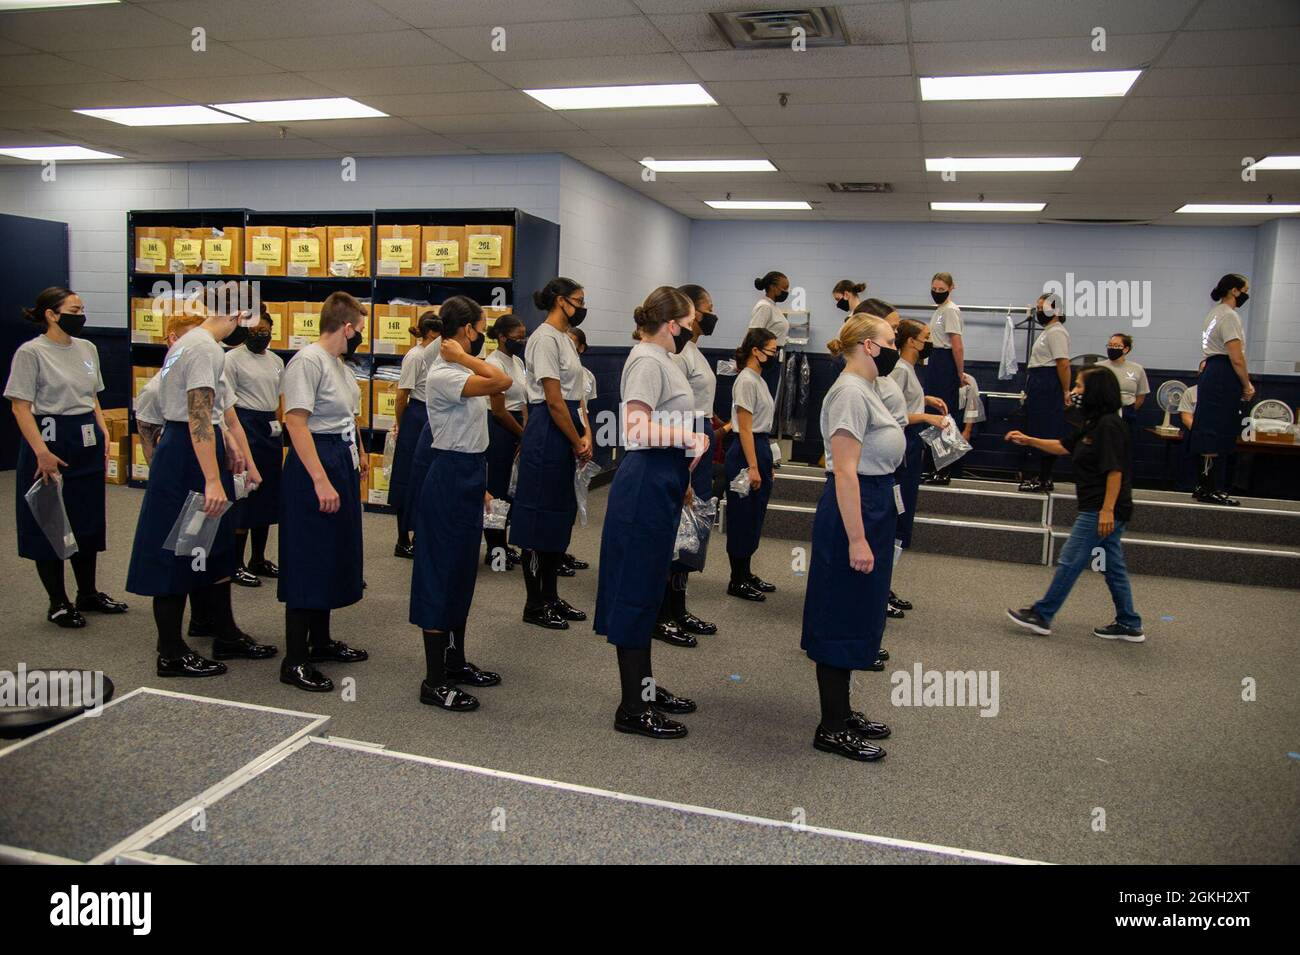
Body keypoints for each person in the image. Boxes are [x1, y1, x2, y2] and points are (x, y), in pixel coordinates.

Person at [125, 304, 276, 676]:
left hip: (198, 448)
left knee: (213, 545)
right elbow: (197, 415)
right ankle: (171, 652)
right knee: (181, 547)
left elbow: (214, 413)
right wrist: (211, 479)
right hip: (188, 455)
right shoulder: (203, 347)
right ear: (236, 315)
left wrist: (232, 446)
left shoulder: (199, 344)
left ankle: (223, 631)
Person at [595, 286, 709, 739]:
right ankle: (632, 707)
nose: (694, 327)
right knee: (636, 589)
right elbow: (635, 425)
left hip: (663, 477)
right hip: (643, 480)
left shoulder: (663, 360)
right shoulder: (646, 359)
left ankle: (644, 687)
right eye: (691, 320)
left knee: (651, 588)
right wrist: (689, 439)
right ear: (673, 324)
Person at [801, 313, 905, 762]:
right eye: (890, 338)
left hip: (875, 501)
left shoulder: (869, 389)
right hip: (854, 506)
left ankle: (841, 711)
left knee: (859, 609)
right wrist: (856, 539)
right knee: (840, 611)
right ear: (868, 345)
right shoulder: (848, 392)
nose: (895, 344)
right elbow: (844, 470)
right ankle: (831, 727)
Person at [410, 296, 513, 711]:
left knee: (460, 575)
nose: (484, 336)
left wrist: (484, 488)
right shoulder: (442, 374)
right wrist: (465, 359)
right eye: (481, 328)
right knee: (440, 575)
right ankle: (434, 681)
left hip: (470, 474)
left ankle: (456, 662)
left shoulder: (458, 368)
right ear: (466, 329)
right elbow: (501, 382)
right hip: (448, 476)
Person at [6, 286, 127, 629]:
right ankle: (58, 601)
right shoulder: (31, 353)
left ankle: (87, 592)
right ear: (52, 314)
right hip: (49, 439)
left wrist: (103, 430)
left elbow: (92, 396)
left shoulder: (87, 349)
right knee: (50, 520)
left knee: (86, 517)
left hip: (84, 436)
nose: (81, 314)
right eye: (74, 309)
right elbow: (20, 406)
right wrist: (40, 452)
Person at [1004, 367, 1143, 642]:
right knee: (1112, 566)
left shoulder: (1109, 425)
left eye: (1079, 386)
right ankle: (1129, 622)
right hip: (1100, 507)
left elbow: (1115, 471)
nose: (1075, 391)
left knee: (1070, 560)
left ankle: (1042, 615)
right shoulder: (1092, 424)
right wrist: (1029, 439)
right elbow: (1063, 446)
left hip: (1101, 508)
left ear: (1095, 391)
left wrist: (1107, 510)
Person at [277, 292, 371, 692]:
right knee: (308, 557)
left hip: (340, 456)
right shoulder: (307, 361)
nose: (361, 337)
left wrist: (361, 453)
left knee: (332, 554)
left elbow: (348, 417)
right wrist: (319, 479)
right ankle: (295, 659)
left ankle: (321, 641)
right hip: (313, 461)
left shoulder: (339, 365)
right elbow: (295, 423)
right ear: (346, 327)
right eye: (360, 330)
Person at [509, 277, 591, 629]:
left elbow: (577, 395)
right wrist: (575, 440)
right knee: (537, 518)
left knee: (559, 515)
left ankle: (552, 595)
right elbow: (554, 400)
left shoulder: (565, 339)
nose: (582, 307)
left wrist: (585, 432)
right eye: (578, 300)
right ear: (560, 301)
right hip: (548, 429)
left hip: (567, 424)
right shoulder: (543, 338)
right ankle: (534, 603)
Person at [655, 283, 721, 643]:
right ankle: (663, 612)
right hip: (685, 437)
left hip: (701, 435)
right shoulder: (676, 353)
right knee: (678, 528)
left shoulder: (692, 349)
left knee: (695, 529)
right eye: (706, 309)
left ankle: (679, 607)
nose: (711, 315)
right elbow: (673, 410)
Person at [889, 319, 950, 616]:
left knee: (904, 517)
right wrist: (926, 417)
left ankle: (884, 586)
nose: (930, 342)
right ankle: (880, 588)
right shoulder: (900, 369)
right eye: (926, 337)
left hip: (912, 447)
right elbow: (895, 413)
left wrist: (925, 400)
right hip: (904, 446)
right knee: (897, 517)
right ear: (911, 341)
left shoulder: (910, 370)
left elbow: (905, 401)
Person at [224, 306, 284, 587]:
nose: (260, 335)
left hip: (270, 426)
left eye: (265, 330)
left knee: (269, 495)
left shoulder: (275, 361)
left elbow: (279, 398)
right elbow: (228, 403)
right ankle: (235, 562)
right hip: (244, 424)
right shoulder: (232, 359)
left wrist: (280, 427)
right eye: (255, 330)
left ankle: (258, 558)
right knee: (245, 496)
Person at [1189, 273, 1254, 506]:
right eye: (1245, 289)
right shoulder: (1229, 316)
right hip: (1223, 373)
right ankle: (1211, 487)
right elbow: (1236, 357)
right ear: (1235, 291)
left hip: (1211, 370)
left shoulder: (1213, 314)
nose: (1247, 293)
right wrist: (1246, 384)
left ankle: (1202, 484)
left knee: (1208, 425)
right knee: (1218, 428)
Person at [725, 327, 779, 601]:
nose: (775, 355)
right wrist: (753, 466)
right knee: (742, 516)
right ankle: (737, 579)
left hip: (760, 447)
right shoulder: (746, 380)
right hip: (746, 451)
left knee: (755, 515)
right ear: (755, 351)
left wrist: (767, 462)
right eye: (771, 350)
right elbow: (745, 429)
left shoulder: (758, 379)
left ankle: (746, 572)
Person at [389, 311, 441, 559]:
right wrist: (401, 424)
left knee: (426, 479)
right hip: (416, 414)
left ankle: (422, 533)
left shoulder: (439, 355)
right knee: (407, 477)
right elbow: (402, 396)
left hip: (433, 414)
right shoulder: (415, 356)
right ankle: (402, 538)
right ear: (432, 333)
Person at [483, 313, 527, 569]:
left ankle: (505, 545)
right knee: (497, 489)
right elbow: (499, 410)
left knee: (511, 490)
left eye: (523, 337)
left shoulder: (517, 361)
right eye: (517, 337)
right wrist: (521, 433)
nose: (521, 341)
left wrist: (526, 430)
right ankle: (494, 548)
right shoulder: (493, 363)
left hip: (518, 427)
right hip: (500, 428)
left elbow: (523, 400)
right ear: (501, 337)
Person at [1018, 293, 1071, 492]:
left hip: (1048, 383)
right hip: (1039, 381)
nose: (1039, 312)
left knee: (1046, 429)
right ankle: (1039, 476)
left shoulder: (1057, 332)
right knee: (1036, 427)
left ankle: (1044, 477)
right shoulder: (1047, 331)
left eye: (1043, 309)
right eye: (1038, 308)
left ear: (1056, 310)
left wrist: (1065, 390)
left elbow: (1063, 363)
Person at [924, 271, 964, 484]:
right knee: (933, 414)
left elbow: (956, 345)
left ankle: (946, 469)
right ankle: (934, 466)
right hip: (935, 360)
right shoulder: (939, 310)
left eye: (942, 289)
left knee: (945, 415)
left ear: (951, 288)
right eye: (935, 289)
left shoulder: (950, 311)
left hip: (945, 362)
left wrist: (959, 373)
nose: (937, 293)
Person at [561, 325, 595, 576]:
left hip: (579, 434)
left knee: (572, 497)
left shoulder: (587, 376)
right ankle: (553, 553)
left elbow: (584, 411)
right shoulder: (559, 372)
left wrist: (587, 437)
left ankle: (563, 548)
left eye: (574, 344)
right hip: (563, 433)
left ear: (581, 348)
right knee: (557, 498)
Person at [1097, 332, 1149, 462]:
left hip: (1127, 413)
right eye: (1110, 345)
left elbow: (1141, 396)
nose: (1112, 348)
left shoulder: (1137, 369)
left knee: (1124, 451)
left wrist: (1128, 410)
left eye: (1116, 346)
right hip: (1103, 413)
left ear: (1126, 349)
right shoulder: (1099, 367)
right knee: (1102, 448)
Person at [749, 271, 790, 397]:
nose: (787, 292)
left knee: (769, 398)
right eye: (785, 288)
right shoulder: (764, 307)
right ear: (773, 287)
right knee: (763, 398)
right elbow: (753, 334)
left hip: (775, 356)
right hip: (766, 357)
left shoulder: (773, 307)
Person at [1178, 360, 1205, 432]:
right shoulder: (1190, 392)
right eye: (1202, 370)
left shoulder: (1225, 393)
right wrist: (1199, 433)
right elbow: (1186, 418)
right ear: (1198, 373)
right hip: (1196, 433)